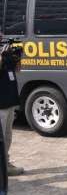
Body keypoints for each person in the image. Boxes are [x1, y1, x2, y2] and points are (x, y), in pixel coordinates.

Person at [0, 30, 24, 178]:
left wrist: (18, 56)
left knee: (7, 136)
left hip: (10, 101)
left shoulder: (6, 51)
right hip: (0, 104)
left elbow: (18, 70)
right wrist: (2, 55)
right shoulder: (2, 52)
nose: (1, 35)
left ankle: (5, 164)